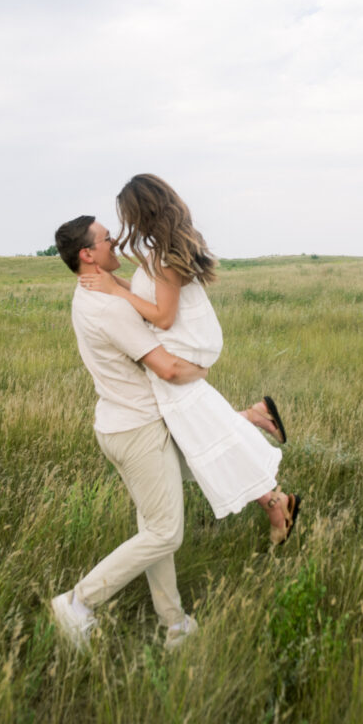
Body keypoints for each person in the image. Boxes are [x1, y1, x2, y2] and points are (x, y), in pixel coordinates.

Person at [79, 173, 301, 544]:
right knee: (201, 434)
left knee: (203, 436)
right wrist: (112, 284)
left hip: (178, 354)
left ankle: (275, 500)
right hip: (179, 353)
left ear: (140, 211)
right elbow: (145, 297)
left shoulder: (164, 255)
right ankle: (271, 487)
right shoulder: (156, 251)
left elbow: (162, 316)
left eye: (126, 214)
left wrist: (113, 291)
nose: (120, 229)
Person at [51, 214, 207, 651]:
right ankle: (78, 601)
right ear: (88, 254)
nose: (114, 240)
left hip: (118, 425)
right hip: (137, 430)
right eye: (105, 239)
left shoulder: (90, 295)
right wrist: (203, 367)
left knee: (154, 524)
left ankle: (175, 625)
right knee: (165, 533)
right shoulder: (108, 306)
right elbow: (168, 367)